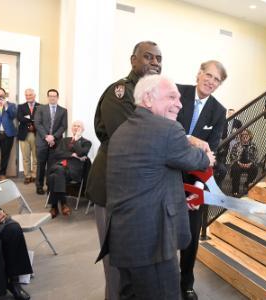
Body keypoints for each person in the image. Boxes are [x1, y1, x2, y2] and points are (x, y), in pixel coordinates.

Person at [97, 74, 215, 299]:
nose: (180, 104)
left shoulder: (123, 130)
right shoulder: (167, 130)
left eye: (179, 98)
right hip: (154, 244)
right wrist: (208, 157)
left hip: (125, 237)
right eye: (172, 97)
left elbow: (146, 178)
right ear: (148, 99)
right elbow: (196, 160)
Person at [87, 40, 162, 300]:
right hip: (112, 191)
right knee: (116, 267)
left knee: (133, 266)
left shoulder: (155, 97)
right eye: (148, 57)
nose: (155, 63)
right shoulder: (119, 92)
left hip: (139, 195)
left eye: (158, 59)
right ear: (133, 60)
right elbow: (130, 141)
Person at [176, 60, 227, 300]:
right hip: (167, 174)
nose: (211, 81)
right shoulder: (177, 92)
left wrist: (197, 189)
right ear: (199, 74)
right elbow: (165, 127)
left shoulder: (219, 112)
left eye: (216, 79)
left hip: (195, 181)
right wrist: (190, 138)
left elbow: (211, 153)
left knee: (191, 234)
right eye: (208, 75)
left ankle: (186, 283)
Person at [47, 121, 91, 218]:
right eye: (74, 126)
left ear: (82, 129)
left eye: (78, 126)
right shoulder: (64, 140)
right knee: (59, 171)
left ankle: (54, 207)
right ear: (71, 128)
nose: (76, 127)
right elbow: (57, 154)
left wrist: (76, 139)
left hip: (73, 170)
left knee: (53, 176)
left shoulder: (86, 143)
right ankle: (63, 204)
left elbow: (81, 153)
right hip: (60, 166)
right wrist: (72, 154)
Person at [34, 89, 68, 195]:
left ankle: (50, 186)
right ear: (47, 97)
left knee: (52, 165)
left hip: (56, 142)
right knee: (41, 165)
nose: (52, 98)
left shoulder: (63, 110)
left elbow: (64, 126)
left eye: (54, 96)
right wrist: (46, 137)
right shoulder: (40, 109)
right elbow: (38, 124)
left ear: (58, 97)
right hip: (42, 141)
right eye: (50, 96)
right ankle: (39, 186)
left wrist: (53, 137)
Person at [17, 88, 40, 184]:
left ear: (34, 95)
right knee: (25, 157)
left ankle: (34, 175)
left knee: (36, 156)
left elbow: (40, 119)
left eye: (30, 95)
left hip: (37, 134)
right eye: (26, 95)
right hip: (24, 135)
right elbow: (20, 118)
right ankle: (27, 175)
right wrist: (32, 120)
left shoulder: (40, 106)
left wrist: (29, 119)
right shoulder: (21, 106)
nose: (28, 97)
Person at [230, 129, 259, 196]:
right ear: (241, 136)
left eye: (246, 134)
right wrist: (239, 163)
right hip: (238, 163)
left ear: (249, 136)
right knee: (236, 169)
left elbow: (256, 158)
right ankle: (235, 190)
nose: (245, 136)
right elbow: (232, 156)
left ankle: (247, 184)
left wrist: (250, 163)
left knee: (255, 169)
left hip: (249, 163)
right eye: (243, 135)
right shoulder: (236, 145)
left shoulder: (253, 145)